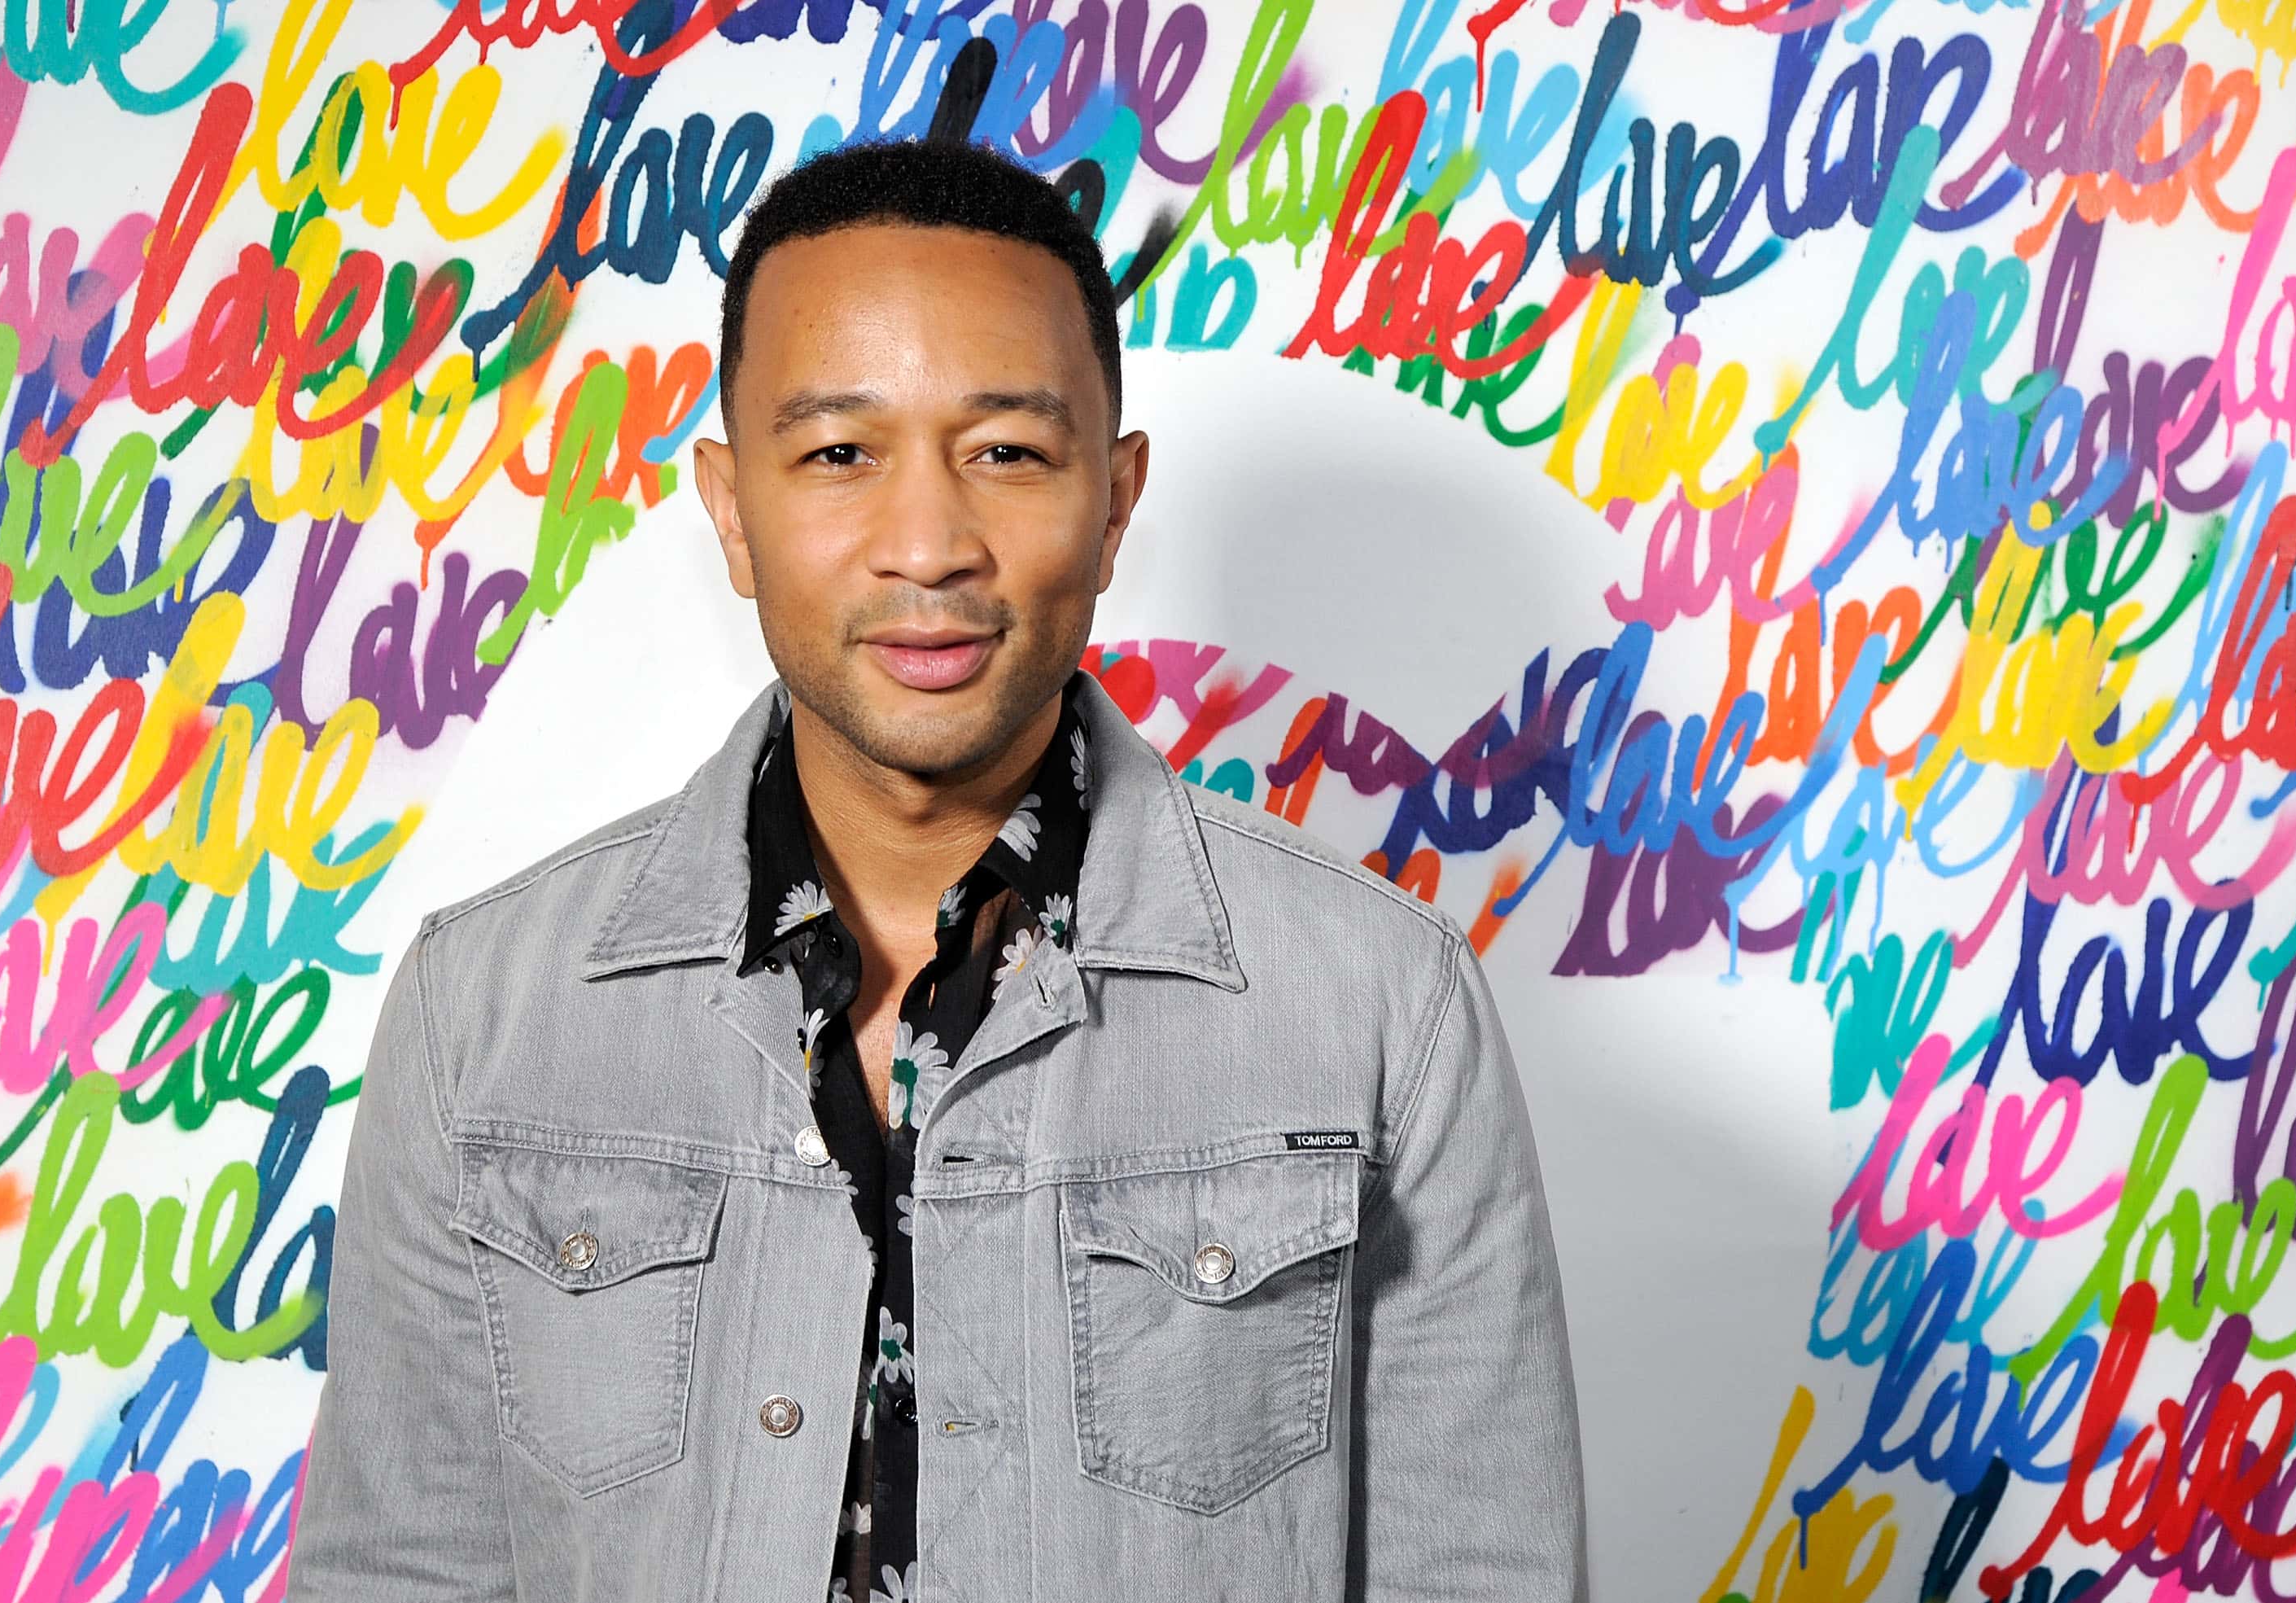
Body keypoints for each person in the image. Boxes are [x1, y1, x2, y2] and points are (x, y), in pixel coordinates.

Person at [288, 135, 1586, 1603]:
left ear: (1114, 500)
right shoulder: (481, 1013)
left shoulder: (1382, 1005)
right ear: (731, 506)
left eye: (1008, 452)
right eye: (840, 453)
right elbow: (398, 1571)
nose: (927, 545)